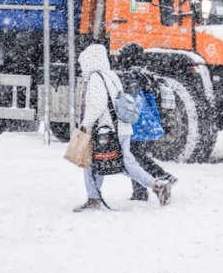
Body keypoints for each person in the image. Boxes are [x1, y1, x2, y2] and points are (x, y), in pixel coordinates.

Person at [73, 44, 173, 211]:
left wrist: (86, 124)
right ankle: (157, 185)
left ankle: (93, 199)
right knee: (122, 163)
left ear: (89, 62)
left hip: (107, 130)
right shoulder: (112, 76)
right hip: (122, 128)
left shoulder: (96, 78)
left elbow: (97, 105)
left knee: (92, 163)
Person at [113, 44, 177, 202]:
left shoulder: (129, 74)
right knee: (135, 156)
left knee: (135, 157)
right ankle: (139, 192)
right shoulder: (146, 74)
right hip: (148, 120)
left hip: (136, 122)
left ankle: (163, 176)